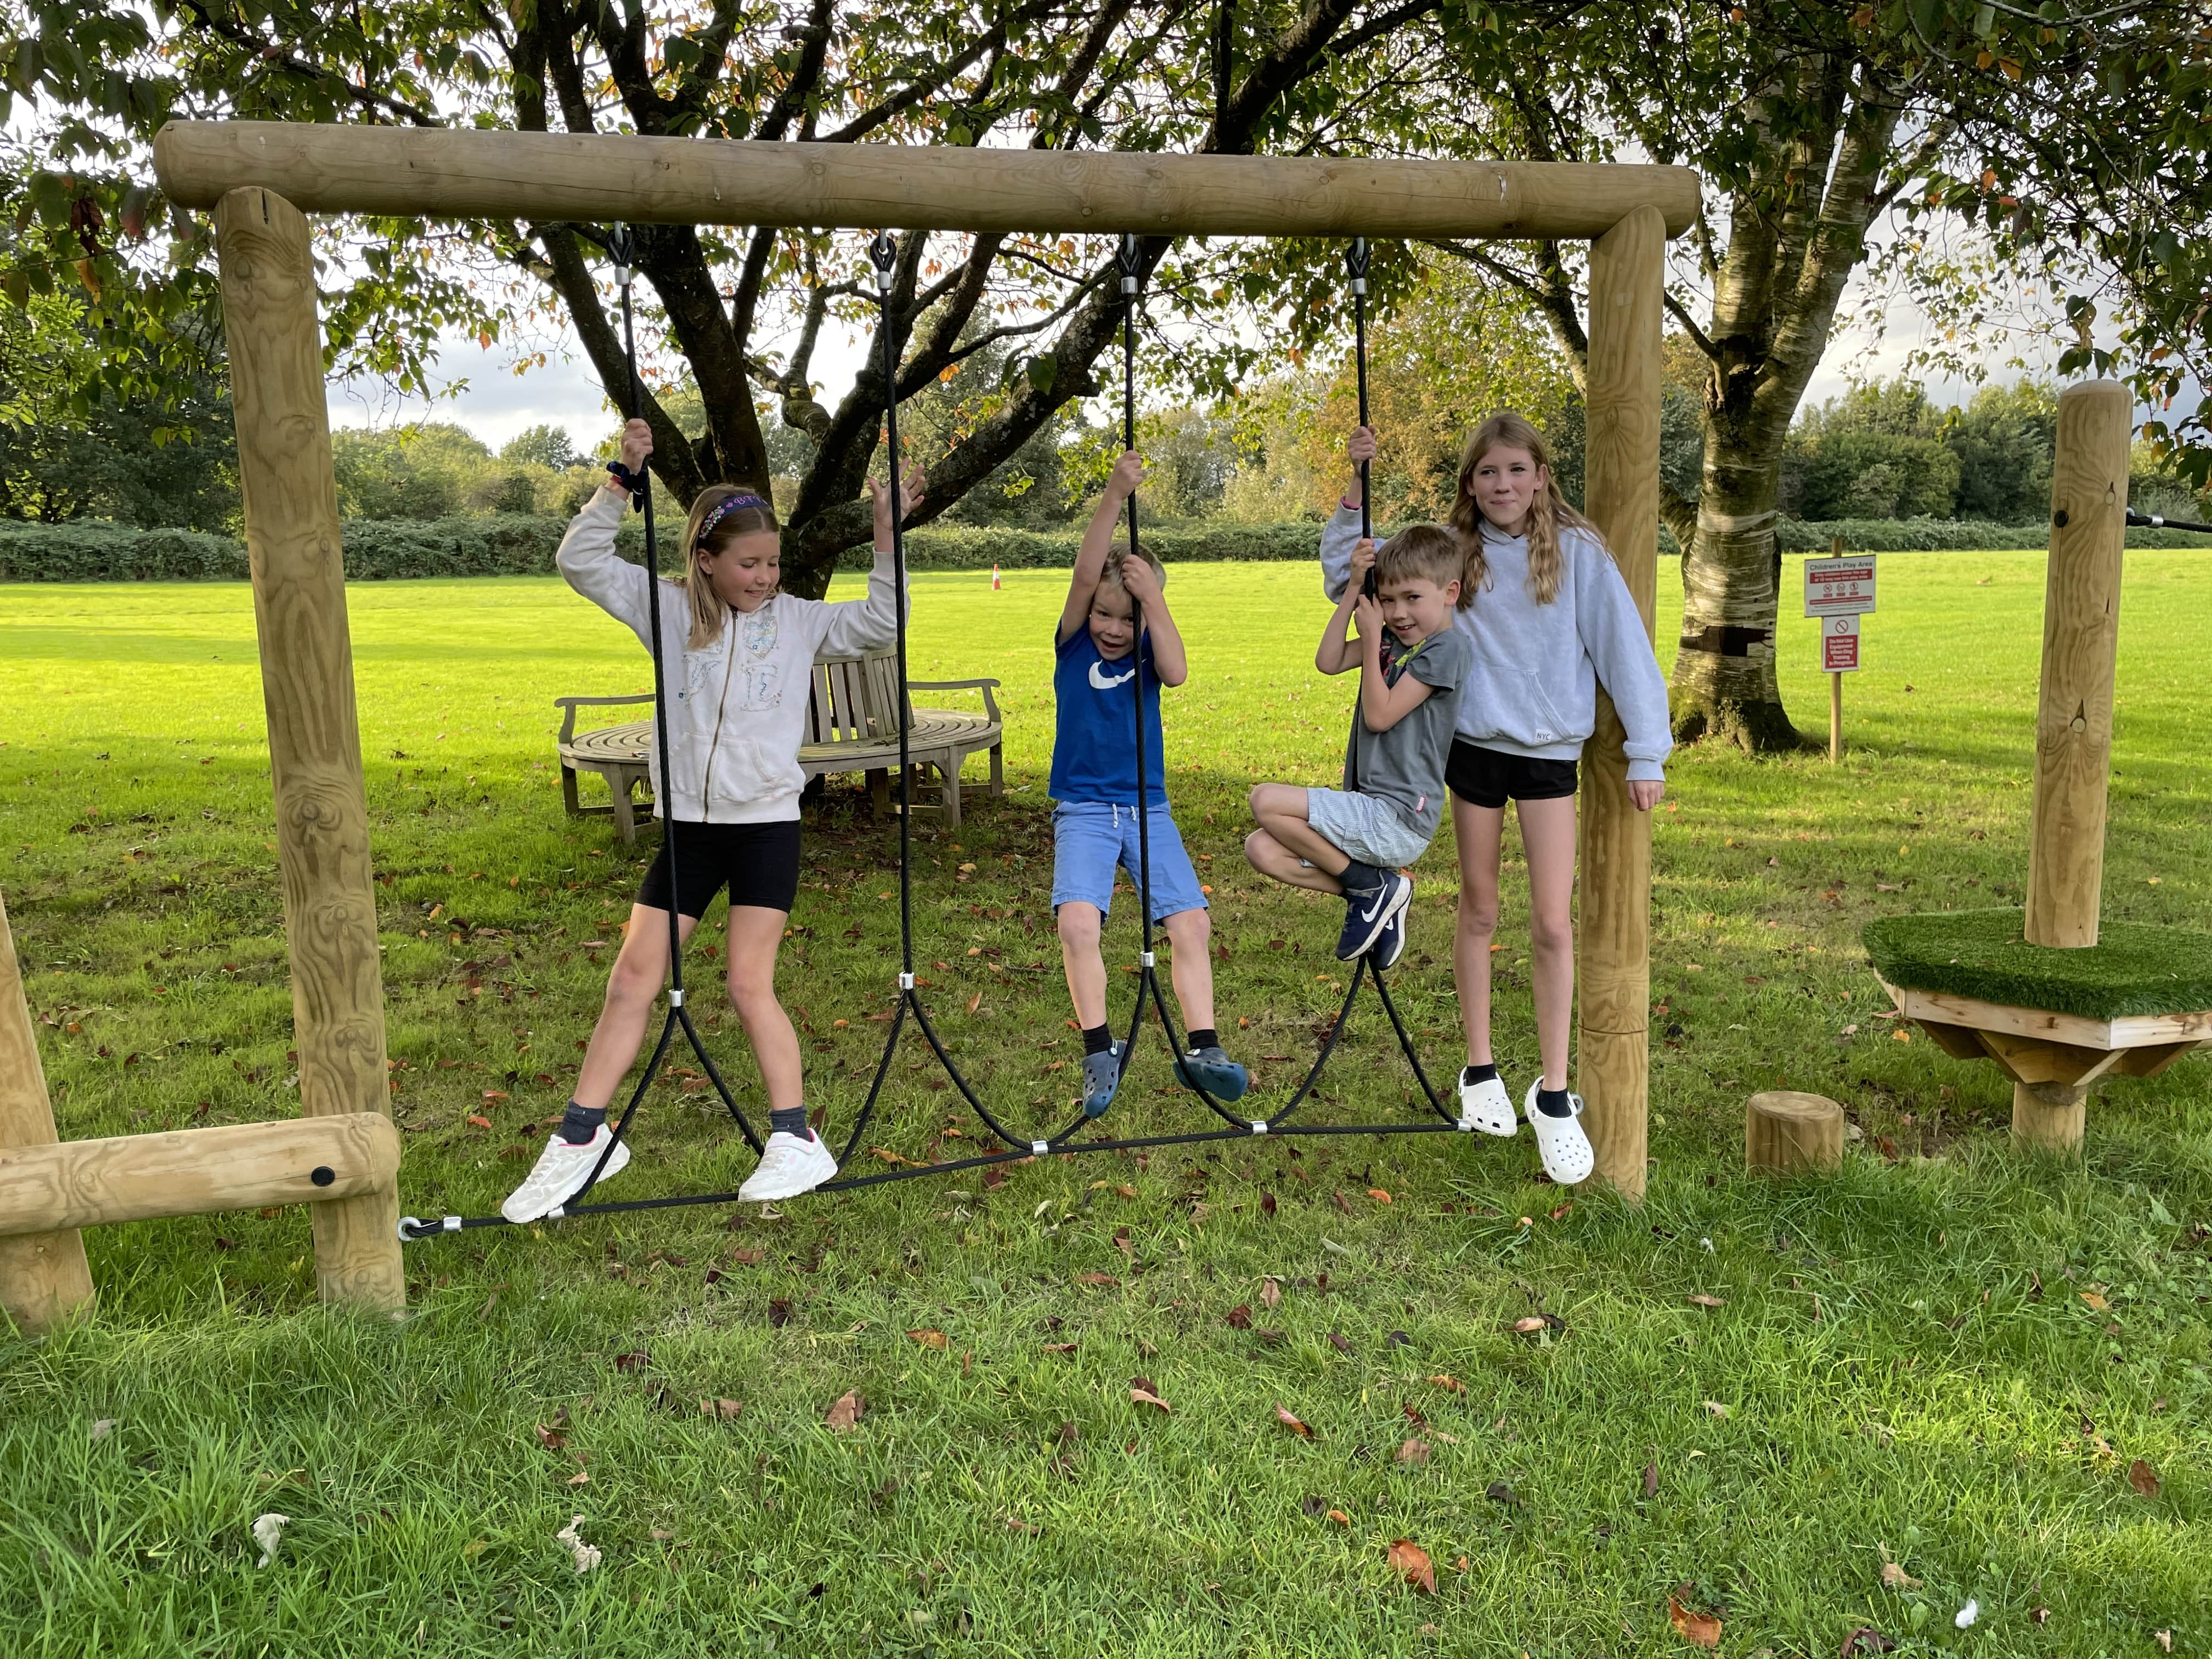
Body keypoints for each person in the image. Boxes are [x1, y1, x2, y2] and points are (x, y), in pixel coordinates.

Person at [500, 417, 921, 1222]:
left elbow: (883, 624)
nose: (765, 578)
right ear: (704, 559)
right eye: (749, 564)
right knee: (632, 977)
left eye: (772, 564)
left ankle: (795, 1139)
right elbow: (579, 560)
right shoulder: (662, 609)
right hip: (690, 830)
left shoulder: (798, 620)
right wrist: (622, 480)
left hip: (765, 828)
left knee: (746, 981)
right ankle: (585, 1138)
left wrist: (883, 533)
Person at [1321, 414, 1668, 1186]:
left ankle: (1551, 1093)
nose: (1502, 486)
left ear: (1541, 475)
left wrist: (1648, 750)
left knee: (1551, 921)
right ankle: (1481, 1074)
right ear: (1469, 482)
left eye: (1516, 471)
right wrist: (1354, 489)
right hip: (1472, 753)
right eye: (1487, 473)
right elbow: (1354, 577)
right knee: (1478, 911)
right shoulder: (1453, 556)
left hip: (1547, 756)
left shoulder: (1577, 554)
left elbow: (1625, 650)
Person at [1051, 450, 1248, 1115]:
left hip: (1147, 808)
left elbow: (1180, 668)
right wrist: (1113, 494)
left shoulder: (1148, 649)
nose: (1112, 628)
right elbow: (1086, 575)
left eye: (1124, 618)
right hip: (1082, 809)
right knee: (1079, 923)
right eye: (1106, 614)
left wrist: (1153, 600)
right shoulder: (1075, 640)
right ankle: (1098, 1050)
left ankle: (1204, 1048)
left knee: (1190, 923)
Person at [1243, 525, 1472, 974]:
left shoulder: (1447, 648)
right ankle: (1377, 890)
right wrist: (1352, 590)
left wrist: (1371, 640)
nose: (1399, 613)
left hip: (1400, 815)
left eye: (1412, 598)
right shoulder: (1391, 640)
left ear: (1450, 593)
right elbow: (1327, 662)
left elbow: (1380, 716)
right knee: (1261, 849)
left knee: (1265, 800)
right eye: (1388, 601)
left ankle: (1371, 890)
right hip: (1367, 808)